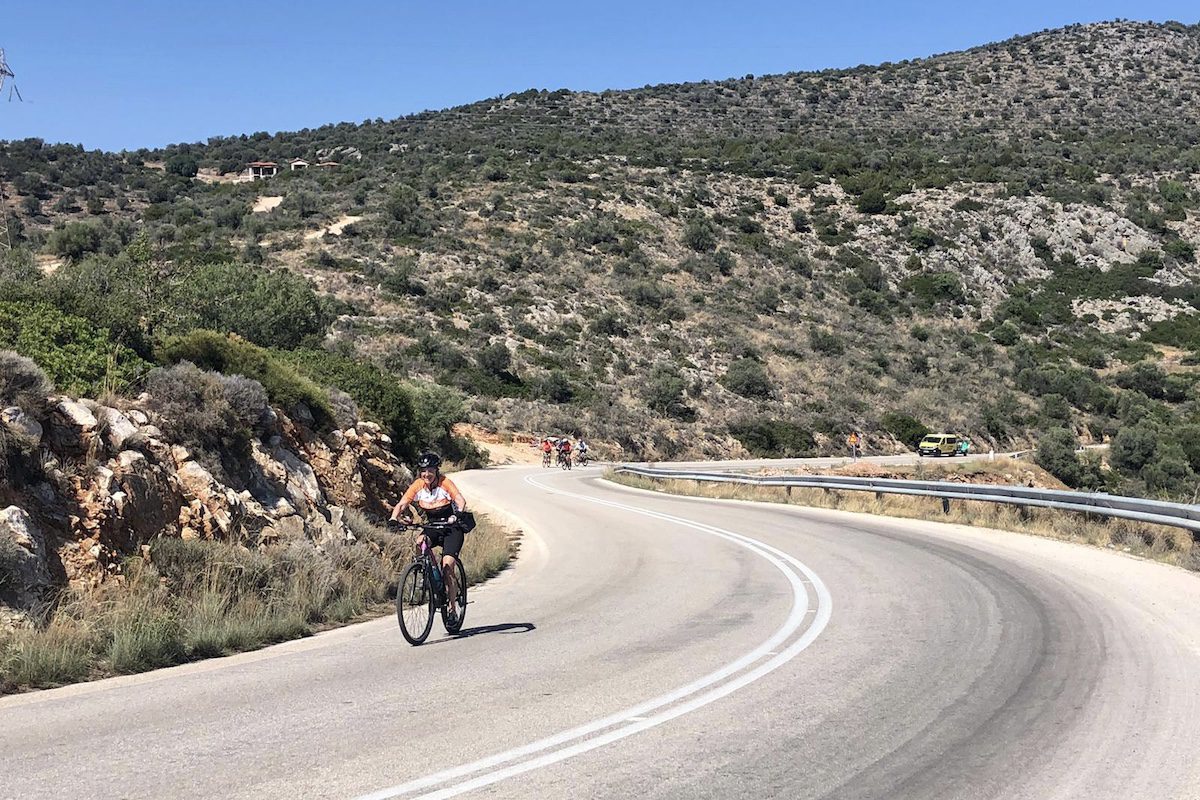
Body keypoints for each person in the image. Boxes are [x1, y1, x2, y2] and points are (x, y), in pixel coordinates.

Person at [390, 452, 467, 622]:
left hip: (451, 528)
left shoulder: (445, 483)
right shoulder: (418, 485)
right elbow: (403, 503)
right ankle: (425, 571)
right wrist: (394, 518)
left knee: (447, 567)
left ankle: (452, 608)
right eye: (423, 471)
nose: (426, 474)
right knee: (420, 542)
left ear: (436, 471)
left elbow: (460, 499)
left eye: (430, 470)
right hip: (432, 526)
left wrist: (458, 514)